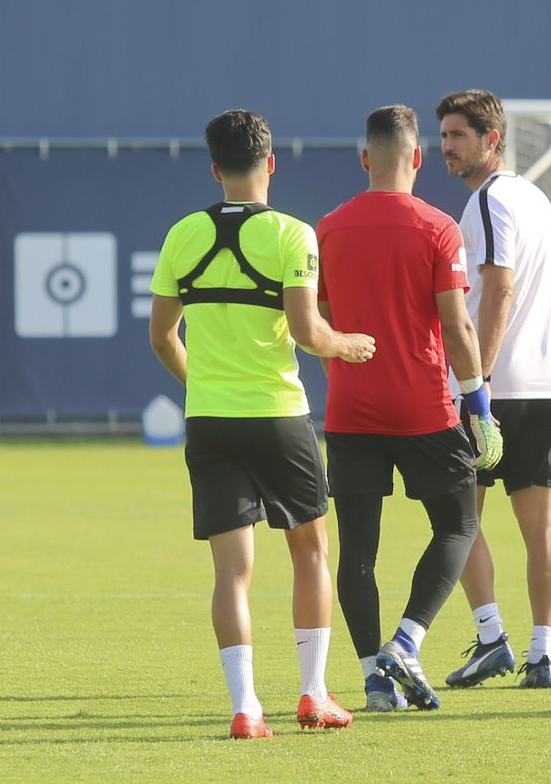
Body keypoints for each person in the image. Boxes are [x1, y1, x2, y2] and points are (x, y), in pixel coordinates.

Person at [148, 109, 375, 738]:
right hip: (278, 417)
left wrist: (204, 384)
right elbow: (308, 333)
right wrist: (347, 344)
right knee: (310, 550)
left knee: (232, 571)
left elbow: (162, 338)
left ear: (216, 169)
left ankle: (246, 708)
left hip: (210, 422)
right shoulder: (293, 235)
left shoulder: (181, 235)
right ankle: (312, 694)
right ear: (271, 163)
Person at [316, 104, 503, 713]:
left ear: (366, 158)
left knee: (358, 552)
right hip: (423, 408)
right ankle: (408, 639)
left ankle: (375, 679)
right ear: (418, 158)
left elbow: (314, 325)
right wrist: (479, 404)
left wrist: (342, 372)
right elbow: (457, 327)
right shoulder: (437, 226)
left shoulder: (328, 228)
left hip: (350, 412)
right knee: (458, 525)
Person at [436, 89, 551, 690]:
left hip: (496, 388)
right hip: (544, 381)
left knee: (457, 519)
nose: (446, 147)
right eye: (442, 137)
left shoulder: (488, 201)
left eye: (458, 136)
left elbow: (499, 291)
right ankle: (542, 656)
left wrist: (477, 383)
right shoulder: (536, 198)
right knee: (540, 527)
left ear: (492, 140)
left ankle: (492, 638)